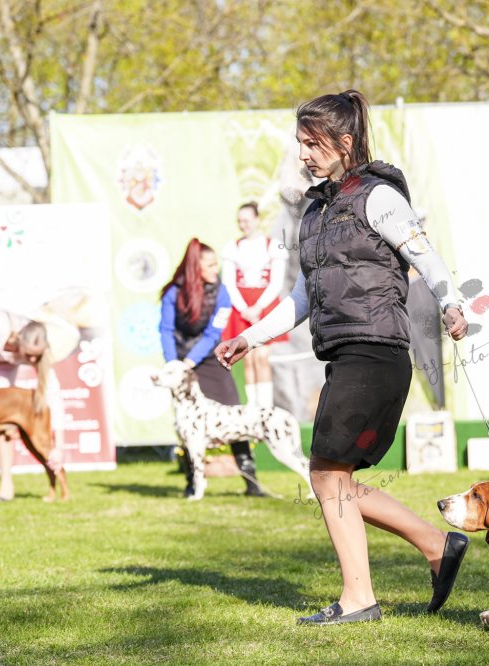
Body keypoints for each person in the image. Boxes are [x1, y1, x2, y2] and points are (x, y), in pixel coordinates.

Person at [216, 90, 470, 625]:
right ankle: (435, 545)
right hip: (346, 354)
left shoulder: (379, 197)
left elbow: (426, 257)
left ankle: (361, 598)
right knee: (334, 478)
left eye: (313, 143)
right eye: (300, 143)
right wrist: (251, 336)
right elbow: (303, 296)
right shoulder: (314, 210)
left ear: (345, 142)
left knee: (326, 474)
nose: (303, 154)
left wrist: (451, 304)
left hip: (375, 352)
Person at [159, 238, 267, 497]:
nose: (215, 269)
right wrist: (174, 364)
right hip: (180, 360)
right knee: (188, 424)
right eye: (209, 264)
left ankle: (251, 482)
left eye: (216, 263)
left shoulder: (222, 292)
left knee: (235, 413)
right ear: (195, 267)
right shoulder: (173, 292)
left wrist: (190, 362)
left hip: (209, 357)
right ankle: (192, 484)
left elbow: (212, 334)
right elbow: (166, 330)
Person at [0, 301, 64, 502]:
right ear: (18, 340)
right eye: (28, 355)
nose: (33, 361)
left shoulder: (39, 351)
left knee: (2, 426)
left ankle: (6, 487)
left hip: (2, 371)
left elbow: (53, 395)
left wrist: (59, 446)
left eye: (37, 357)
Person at [220, 201, 290, 409]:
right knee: (248, 357)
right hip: (241, 307)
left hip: (264, 305)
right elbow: (229, 283)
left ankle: (265, 408)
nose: (244, 225)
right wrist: (244, 309)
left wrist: (258, 307)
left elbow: (276, 282)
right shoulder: (233, 247)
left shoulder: (272, 245)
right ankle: (253, 407)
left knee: (262, 356)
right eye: (240, 221)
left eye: (247, 220)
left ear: (257, 220)